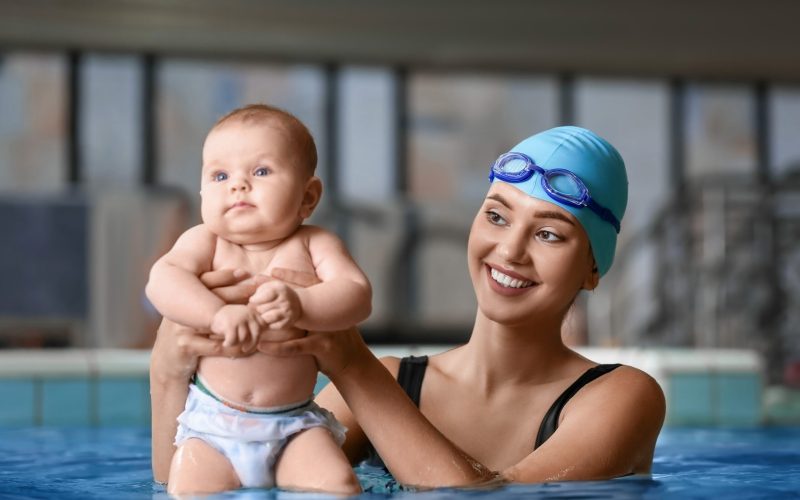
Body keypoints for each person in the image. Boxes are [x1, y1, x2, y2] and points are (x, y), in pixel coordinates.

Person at [150, 125, 665, 489]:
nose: (509, 251)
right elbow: (217, 467)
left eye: (549, 234)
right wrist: (169, 371)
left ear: (593, 268)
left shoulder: (619, 398)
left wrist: (350, 362)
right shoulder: (395, 381)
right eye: (496, 217)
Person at [145, 104, 372, 495]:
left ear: (308, 196)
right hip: (214, 428)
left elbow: (357, 295)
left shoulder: (315, 243)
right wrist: (217, 314)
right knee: (188, 491)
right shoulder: (205, 242)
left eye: (261, 171)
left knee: (338, 486)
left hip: (293, 426)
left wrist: (303, 304)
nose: (238, 185)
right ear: (202, 192)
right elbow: (161, 282)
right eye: (219, 175)